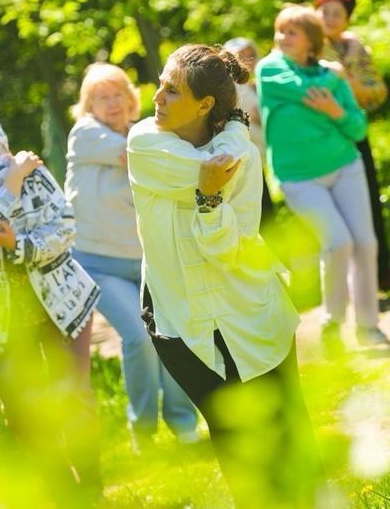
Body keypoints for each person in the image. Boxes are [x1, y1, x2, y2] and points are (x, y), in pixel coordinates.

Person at [128, 44, 317, 506]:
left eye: (172, 91)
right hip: (181, 320)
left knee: (288, 425)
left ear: (205, 104)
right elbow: (212, 169)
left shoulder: (244, 159)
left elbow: (229, 248)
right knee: (235, 435)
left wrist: (210, 200)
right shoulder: (144, 144)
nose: (157, 98)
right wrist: (234, 131)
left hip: (249, 306)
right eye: (161, 85)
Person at [0, 108, 102, 499]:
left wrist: (19, 246)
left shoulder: (37, 174)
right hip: (2, 318)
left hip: (60, 302)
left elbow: (64, 228)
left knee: (74, 399)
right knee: (19, 414)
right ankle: (64, 492)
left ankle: (93, 490)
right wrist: (12, 182)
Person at [65, 62, 199, 451]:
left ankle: (183, 422)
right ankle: (142, 430)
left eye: (117, 94)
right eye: (100, 97)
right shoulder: (85, 135)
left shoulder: (145, 133)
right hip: (97, 263)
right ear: (88, 105)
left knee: (171, 335)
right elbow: (136, 155)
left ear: (131, 98)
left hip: (147, 261)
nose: (111, 103)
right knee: (140, 338)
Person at [256, 5, 387, 350]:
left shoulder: (331, 76)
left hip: (345, 166)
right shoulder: (269, 70)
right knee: (338, 242)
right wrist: (335, 76)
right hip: (299, 178)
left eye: (291, 32)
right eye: (280, 31)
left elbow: (357, 127)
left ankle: (368, 327)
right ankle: (333, 323)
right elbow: (303, 89)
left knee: (365, 244)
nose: (282, 38)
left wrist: (335, 110)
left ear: (311, 41)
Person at [314, 0, 390, 289]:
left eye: (336, 13)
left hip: (353, 131)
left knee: (368, 203)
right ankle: (349, 284)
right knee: (334, 211)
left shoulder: (355, 46)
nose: (328, 17)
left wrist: (354, 87)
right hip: (321, 136)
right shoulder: (307, 46)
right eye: (323, 11)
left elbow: (378, 90)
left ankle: (382, 271)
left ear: (347, 18)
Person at [222, 37, 274, 220]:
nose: (248, 60)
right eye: (242, 56)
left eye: (251, 55)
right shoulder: (232, 90)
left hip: (259, 155)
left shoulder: (258, 85)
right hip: (243, 157)